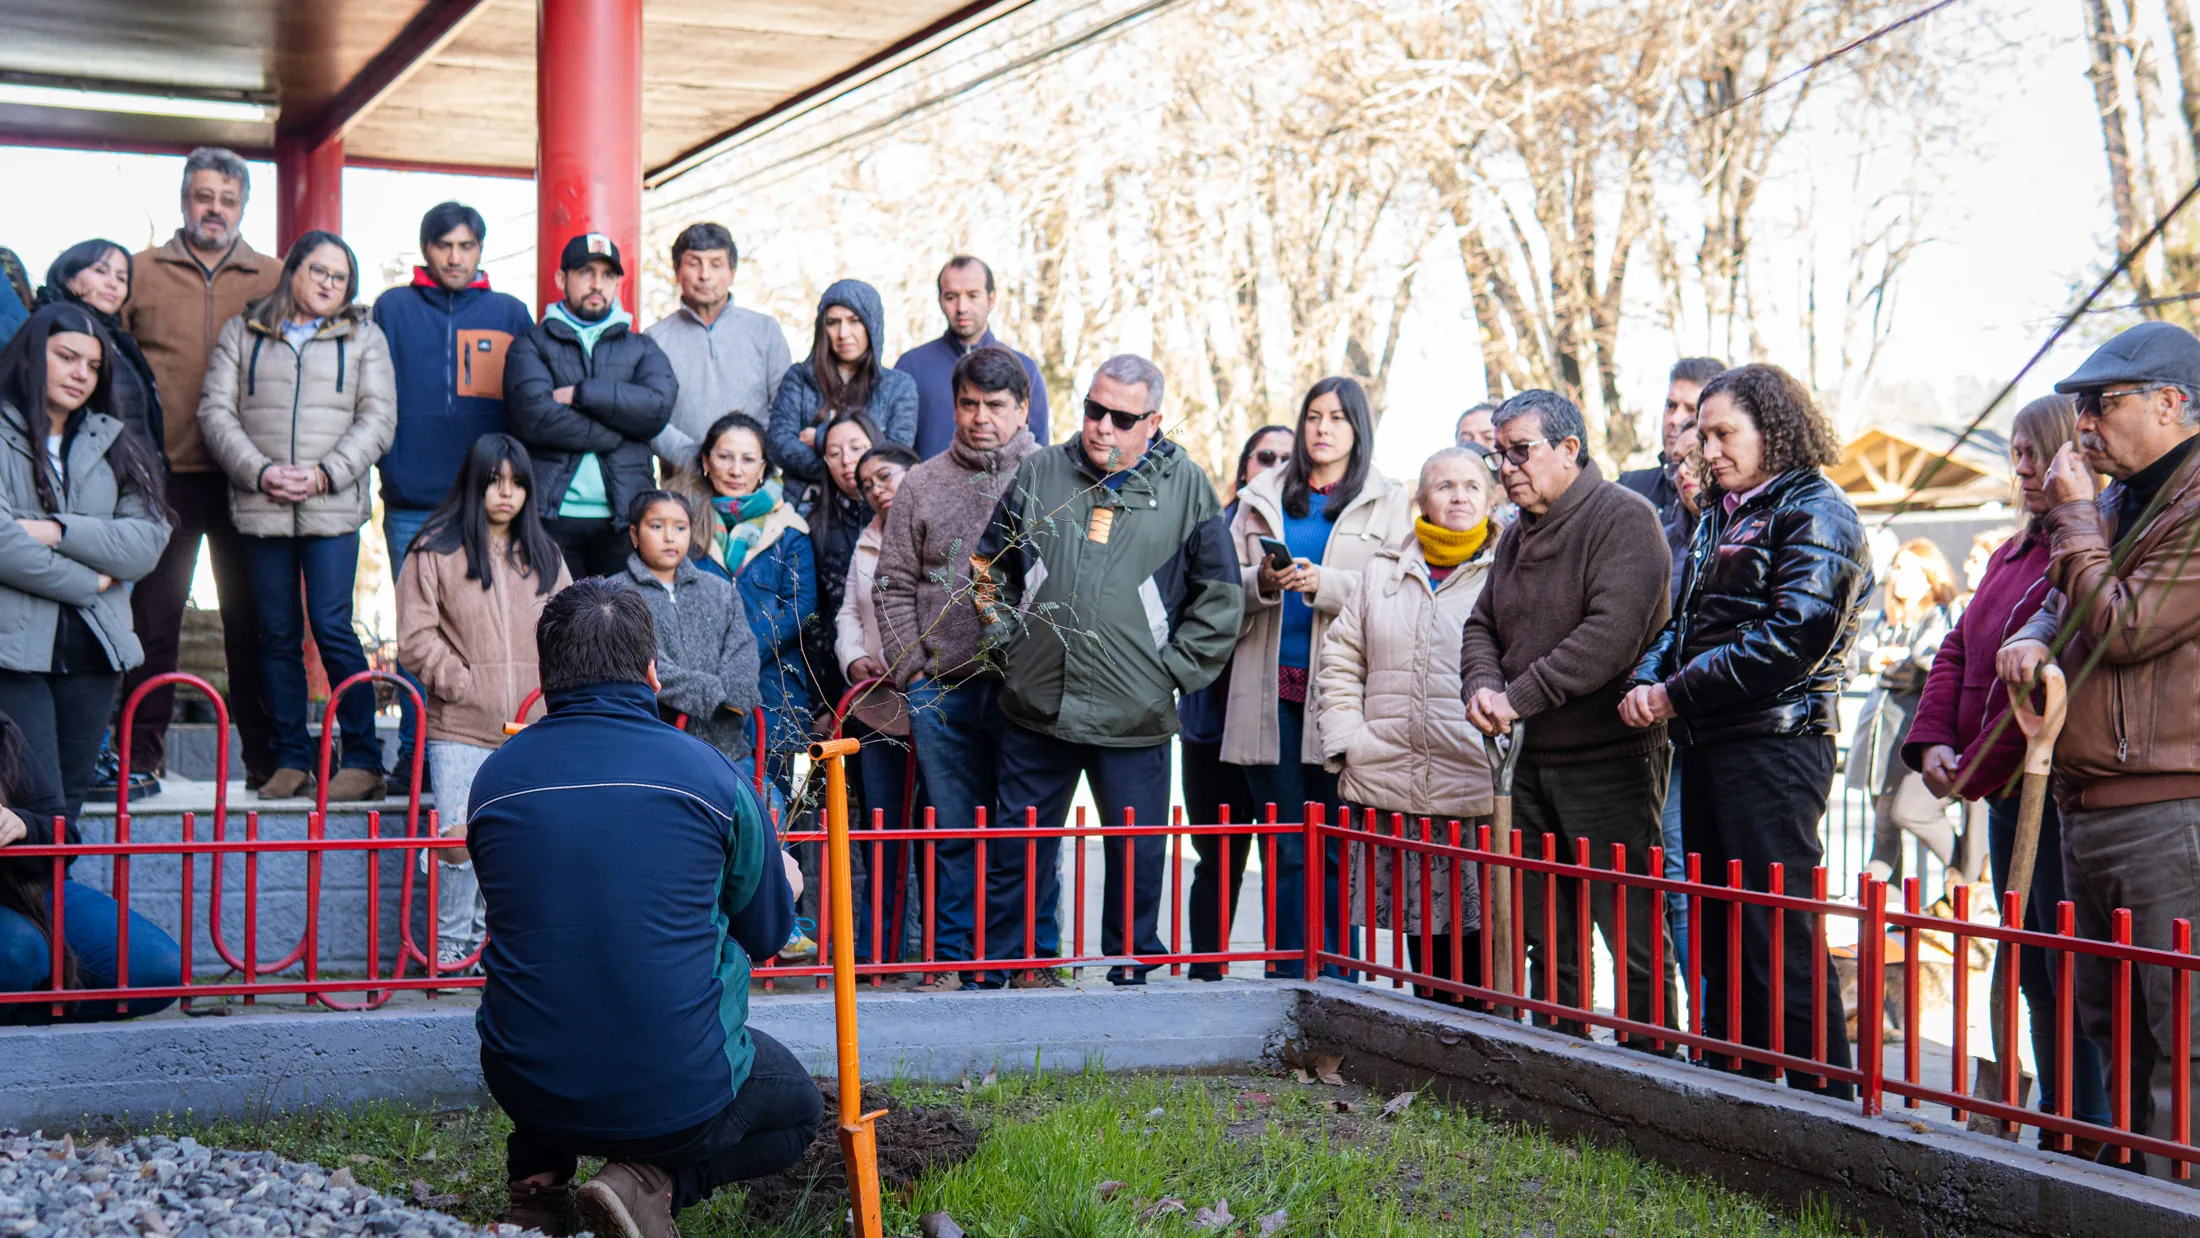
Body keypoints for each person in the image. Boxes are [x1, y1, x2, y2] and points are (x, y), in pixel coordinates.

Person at [467, 579, 820, 1237]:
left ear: (546, 675)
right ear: (654, 671)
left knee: (561, 985)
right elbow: (768, 931)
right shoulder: (712, 776)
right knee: (798, 1108)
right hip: (674, 1091)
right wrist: (788, 883)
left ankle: (536, 1190)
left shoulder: (495, 779)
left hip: (524, 1079)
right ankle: (648, 1184)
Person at [1623, 362, 1868, 1098]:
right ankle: (1738, 1086)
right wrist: (1649, 675)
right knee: (1724, 923)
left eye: (1725, 434)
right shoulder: (1727, 513)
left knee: (1778, 928)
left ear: (1774, 429)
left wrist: (1671, 693)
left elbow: (1792, 637)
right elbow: (1690, 621)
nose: (1710, 451)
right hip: (1710, 741)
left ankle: (1822, 1100)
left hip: (1776, 744)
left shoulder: (1819, 512)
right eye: (1704, 437)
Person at [1997, 321, 2200, 1176]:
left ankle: (2171, 1199)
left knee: (2176, 1037)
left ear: (2171, 404)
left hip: (2169, 807)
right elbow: (2065, 599)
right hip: (2091, 799)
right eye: (2078, 406)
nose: (2082, 426)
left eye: (2102, 404)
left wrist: (2076, 516)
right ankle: (2125, 1197)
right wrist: (2034, 635)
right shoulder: (2119, 502)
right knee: (2107, 1024)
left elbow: (2121, 626)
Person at [974, 353, 1242, 987]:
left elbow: (1220, 595)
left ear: (1152, 422)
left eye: (1121, 418)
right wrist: (1008, 646)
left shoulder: (1188, 488)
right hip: (1035, 705)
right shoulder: (1039, 471)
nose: (1102, 426)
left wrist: (1171, 671)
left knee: (1138, 853)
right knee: (1017, 851)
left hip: (1135, 714)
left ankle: (1130, 968)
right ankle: (1005, 967)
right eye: (1094, 409)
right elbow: (988, 570)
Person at [1904, 394, 2111, 1147]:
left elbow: (2041, 681)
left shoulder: (2084, 551)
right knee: (2027, 969)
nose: (2022, 469)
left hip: (2050, 789)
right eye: (2015, 454)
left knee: (2066, 971)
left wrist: (1970, 773)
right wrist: (1932, 743)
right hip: (1998, 790)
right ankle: (2054, 1112)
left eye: (2034, 453)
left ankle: (2084, 1127)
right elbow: (1958, 648)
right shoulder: (2008, 553)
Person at [1460, 390, 1679, 1042]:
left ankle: (1653, 1066)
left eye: (1520, 451)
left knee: (1632, 936)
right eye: (1499, 455)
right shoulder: (1516, 535)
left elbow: (1609, 637)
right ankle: (1563, 1064)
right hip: (1528, 762)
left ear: (1568, 449)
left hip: (1610, 759)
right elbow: (1482, 624)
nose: (1507, 468)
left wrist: (1516, 696)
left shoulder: (1625, 520)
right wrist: (1481, 685)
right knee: (1547, 934)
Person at [196, 230, 397, 803]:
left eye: (341, 277)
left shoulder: (365, 337)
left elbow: (378, 417)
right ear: (293, 271)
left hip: (332, 506)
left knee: (332, 627)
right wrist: (258, 471)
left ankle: (361, 759)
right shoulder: (244, 331)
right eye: (319, 271)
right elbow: (215, 410)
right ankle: (291, 757)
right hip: (261, 503)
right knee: (276, 634)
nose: (329, 284)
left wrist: (324, 472)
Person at [1222, 377, 1413, 977]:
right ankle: (1285, 973)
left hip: (1343, 697)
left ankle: (1336, 977)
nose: (1322, 428)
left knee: (1336, 846)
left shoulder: (1388, 500)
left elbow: (1398, 594)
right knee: (1282, 845)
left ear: (1358, 428)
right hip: (1269, 689)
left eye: (1336, 418)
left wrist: (1323, 583)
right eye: (1312, 416)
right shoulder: (1262, 497)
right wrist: (1265, 583)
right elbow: (1222, 591)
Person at [870, 346, 1042, 991]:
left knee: (1022, 829)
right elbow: (891, 583)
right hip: (941, 688)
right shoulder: (921, 482)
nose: (979, 418)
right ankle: (954, 960)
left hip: (1024, 688)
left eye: (995, 406)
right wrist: (914, 667)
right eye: (968, 403)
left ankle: (1025, 958)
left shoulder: (1048, 475)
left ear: (1021, 408)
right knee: (954, 831)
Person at [118, 147, 281, 790]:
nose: (215, 209)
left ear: (244, 206)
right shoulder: (138, 271)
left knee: (257, 625)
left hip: (250, 477)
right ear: (184, 199)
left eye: (228, 199)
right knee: (153, 622)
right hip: (163, 477)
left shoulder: (273, 275)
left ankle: (267, 762)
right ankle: (138, 759)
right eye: (203, 196)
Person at [1320, 445, 1498, 1005]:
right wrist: (1348, 740)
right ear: (1420, 499)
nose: (1459, 496)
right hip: (1394, 777)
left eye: (1471, 486)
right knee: (1423, 937)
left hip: (1473, 783)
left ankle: (1483, 1055)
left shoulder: (1507, 570)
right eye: (1444, 486)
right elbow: (1341, 657)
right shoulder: (1382, 572)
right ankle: (1435, 1048)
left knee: (1484, 940)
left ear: (1492, 498)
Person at [395, 434, 572, 972]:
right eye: (495, 481)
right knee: (456, 846)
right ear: (474, 483)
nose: (506, 494)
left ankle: (498, 950)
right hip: (461, 727)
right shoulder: (433, 549)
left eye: (517, 483)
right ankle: (452, 948)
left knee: (523, 845)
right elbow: (415, 637)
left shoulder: (544, 553)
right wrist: (462, 683)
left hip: (534, 728)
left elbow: (569, 626)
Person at [374, 202, 536, 781]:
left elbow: (527, 400)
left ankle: (493, 749)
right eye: (445, 245)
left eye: (466, 246)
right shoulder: (392, 308)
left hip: (491, 500)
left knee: (488, 630)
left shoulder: (509, 312)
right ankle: (413, 760)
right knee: (421, 633)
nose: (455, 257)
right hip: (412, 496)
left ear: (481, 250)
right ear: (426, 248)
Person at [0, 302, 173, 823]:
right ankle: (26, 907)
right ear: (31, 358)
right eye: (67, 357)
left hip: (95, 653)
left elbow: (146, 542)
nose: (81, 374)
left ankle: (51, 907)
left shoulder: (117, 441)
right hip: (13, 655)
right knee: (35, 809)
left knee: (66, 817)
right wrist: (90, 579)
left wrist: (55, 530)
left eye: (93, 365)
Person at [1182, 424, 1290, 980]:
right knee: (1217, 858)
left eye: (1286, 458)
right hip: (1210, 722)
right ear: (1245, 465)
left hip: (1279, 722)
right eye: (1264, 455)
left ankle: (1283, 977)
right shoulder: (1208, 526)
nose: (1274, 465)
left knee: (1281, 859)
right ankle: (1205, 975)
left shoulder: (1309, 531)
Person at [505, 233, 678, 579]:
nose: (597, 284)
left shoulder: (642, 347)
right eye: (586, 272)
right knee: (551, 627)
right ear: (561, 278)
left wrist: (583, 394)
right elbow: (534, 418)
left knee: (620, 628)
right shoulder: (531, 344)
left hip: (626, 518)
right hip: (549, 517)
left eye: (608, 275)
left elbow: (657, 409)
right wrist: (619, 431)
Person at [0, 709, 181, 1022]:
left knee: (158, 970)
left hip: (24, 890)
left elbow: (63, 834)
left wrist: (23, 825)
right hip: (17, 929)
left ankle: (25, 1010)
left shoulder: (2, 731)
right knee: (18, 953)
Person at [679, 414, 814, 801]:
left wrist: (739, 655)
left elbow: (800, 608)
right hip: (703, 690)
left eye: (748, 459)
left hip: (774, 692)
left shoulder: (789, 530)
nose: (735, 470)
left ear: (764, 468)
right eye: (725, 457)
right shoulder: (682, 526)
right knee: (707, 805)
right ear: (706, 462)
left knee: (777, 810)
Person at [1849, 538, 1979, 892]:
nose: (1899, 577)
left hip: (1907, 740)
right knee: (1885, 834)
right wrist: (1876, 660)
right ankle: (1884, 921)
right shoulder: (1886, 620)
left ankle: (1970, 876)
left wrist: (1884, 661)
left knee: (1891, 827)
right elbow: (1857, 659)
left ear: (1929, 576)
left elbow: (1923, 664)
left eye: (1911, 569)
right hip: (1878, 739)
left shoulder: (1939, 616)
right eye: (1897, 568)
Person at [835, 441, 922, 964]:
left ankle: (938, 955)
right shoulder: (866, 540)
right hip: (877, 705)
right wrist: (853, 659)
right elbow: (849, 610)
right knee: (881, 834)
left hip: (936, 700)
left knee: (938, 834)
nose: (876, 489)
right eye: (866, 484)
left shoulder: (941, 526)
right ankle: (876, 956)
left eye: (885, 476)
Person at [622, 489, 762, 770]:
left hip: (729, 748)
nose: (669, 537)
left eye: (680, 527)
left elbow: (743, 654)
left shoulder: (720, 590)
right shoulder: (617, 594)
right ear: (635, 534)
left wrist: (736, 695)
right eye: (657, 526)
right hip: (654, 750)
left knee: (766, 810)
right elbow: (644, 663)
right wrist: (713, 693)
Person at [646, 224, 792, 469]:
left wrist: (748, 459)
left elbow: (784, 409)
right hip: (684, 483)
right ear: (676, 270)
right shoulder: (655, 339)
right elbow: (650, 417)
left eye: (716, 264)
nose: (705, 275)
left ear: (732, 272)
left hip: (755, 480)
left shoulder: (765, 330)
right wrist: (695, 459)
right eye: (694, 264)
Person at [766, 280, 917, 507]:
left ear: (872, 325)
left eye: (854, 321)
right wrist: (839, 473)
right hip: (805, 506)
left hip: (873, 509)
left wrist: (819, 439)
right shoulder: (799, 377)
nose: (843, 333)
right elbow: (779, 443)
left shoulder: (898, 386)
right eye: (833, 322)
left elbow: (895, 453)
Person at [893, 256, 1050, 458]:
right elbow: (895, 454)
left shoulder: (1024, 368)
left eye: (972, 296)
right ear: (940, 300)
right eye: (951, 297)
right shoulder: (912, 367)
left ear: (991, 299)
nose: (961, 308)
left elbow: (1040, 454)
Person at [35, 240, 163, 458]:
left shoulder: (119, 339)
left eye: (121, 278)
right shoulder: (52, 330)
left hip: (134, 470)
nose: (113, 284)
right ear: (69, 277)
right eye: (101, 271)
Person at [803, 411, 880, 717]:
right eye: (835, 453)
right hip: (842, 677)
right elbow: (814, 619)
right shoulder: (815, 525)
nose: (847, 460)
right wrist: (820, 703)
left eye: (857, 448)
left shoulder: (905, 513)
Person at [1617, 357, 1726, 512]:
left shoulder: (1734, 501)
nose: (1675, 419)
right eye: (1671, 406)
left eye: (1690, 409)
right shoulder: (1630, 490)